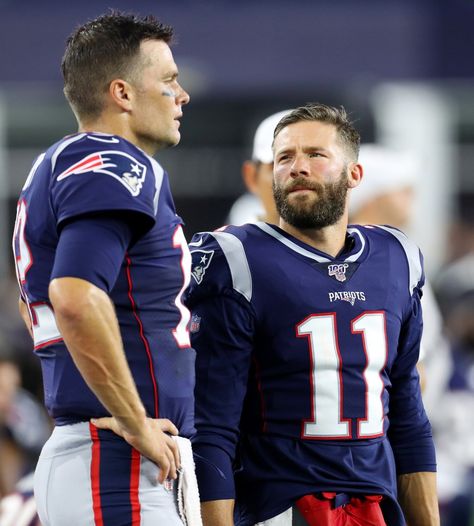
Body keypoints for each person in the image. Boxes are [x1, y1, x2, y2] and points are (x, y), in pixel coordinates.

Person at [185, 103, 440, 525]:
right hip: (281, 506)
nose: (297, 167)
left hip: (376, 502)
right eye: (284, 157)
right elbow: (212, 427)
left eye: (315, 155)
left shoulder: (397, 256)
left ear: (355, 174)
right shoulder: (238, 258)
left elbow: (409, 414)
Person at [11, 12, 200, 526]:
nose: (181, 95)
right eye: (168, 81)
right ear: (122, 93)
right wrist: (134, 421)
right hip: (115, 459)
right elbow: (74, 297)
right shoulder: (114, 160)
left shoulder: (64, 162)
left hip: (104, 452)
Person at [227, 110, 291, 226]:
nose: (296, 172)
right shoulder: (237, 240)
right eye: (282, 161)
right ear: (251, 177)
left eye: (314, 157)